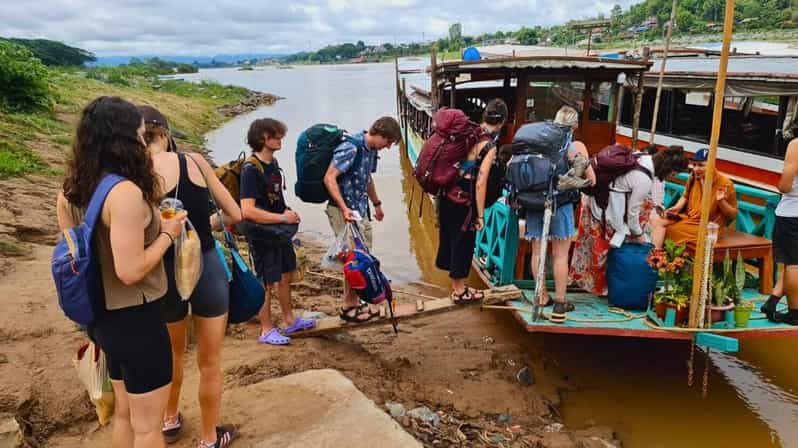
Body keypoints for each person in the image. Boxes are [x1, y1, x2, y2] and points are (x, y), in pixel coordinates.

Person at [56, 96, 186, 448]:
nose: (144, 144)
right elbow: (129, 271)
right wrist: (167, 236)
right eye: (141, 136)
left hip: (103, 320)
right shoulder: (124, 193)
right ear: (123, 140)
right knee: (149, 429)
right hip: (136, 320)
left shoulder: (70, 192)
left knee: (126, 417)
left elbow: (79, 257)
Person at [139, 106, 240, 448]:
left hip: (162, 272)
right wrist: (199, 225)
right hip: (206, 266)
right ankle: (210, 439)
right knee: (210, 362)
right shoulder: (194, 161)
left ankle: (169, 420)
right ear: (165, 135)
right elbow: (234, 213)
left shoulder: (131, 174)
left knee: (172, 355)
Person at [570, 146, 689, 296]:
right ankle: (606, 288)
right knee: (605, 247)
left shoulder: (642, 157)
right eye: (673, 173)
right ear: (667, 169)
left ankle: (596, 285)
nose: (671, 176)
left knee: (593, 246)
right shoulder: (644, 180)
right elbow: (633, 213)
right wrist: (638, 234)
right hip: (606, 207)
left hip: (597, 199)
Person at [240, 118, 316, 344]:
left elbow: (275, 200)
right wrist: (283, 217)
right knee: (266, 282)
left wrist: (287, 213)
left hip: (278, 232)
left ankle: (290, 321)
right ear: (263, 137)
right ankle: (266, 329)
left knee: (285, 276)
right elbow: (248, 210)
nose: (280, 139)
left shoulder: (273, 165)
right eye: (276, 135)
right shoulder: (250, 170)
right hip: (262, 235)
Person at [323, 116, 401, 323]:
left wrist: (377, 204)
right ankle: (348, 307)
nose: (389, 147)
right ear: (381, 134)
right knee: (353, 260)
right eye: (389, 142)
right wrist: (344, 208)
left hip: (360, 210)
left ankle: (355, 302)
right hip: (343, 211)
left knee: (363, 257)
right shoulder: (351, 147)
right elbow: (329, 177)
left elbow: (367, 178)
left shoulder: (371, 151)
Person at [436, 99, 508, 303]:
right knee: (463, 243)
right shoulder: (489, 144)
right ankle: (459, 292)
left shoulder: (467, 133)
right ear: (502, 121)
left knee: (450, 238)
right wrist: (480, 214)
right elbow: (481, 181)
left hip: (447, 192)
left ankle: (457, 286)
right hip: (464, 198)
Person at [525, 106, 592, 323]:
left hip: (536, 202)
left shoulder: (537, 142)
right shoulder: (575, 146)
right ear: (575, 126)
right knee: (560, 255)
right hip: (561, 205)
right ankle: (560, 306)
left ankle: (541, 296)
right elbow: (592, 179)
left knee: (537, 251)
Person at [651, 148, 739, 249]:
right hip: (689, 218)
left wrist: (721, 201)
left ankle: (661, 257)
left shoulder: (725, 183)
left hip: (709, 227)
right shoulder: (693, 177)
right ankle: (656, 256)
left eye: (701, 165)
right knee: (656, 220)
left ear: (712, 165)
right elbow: (685, 196)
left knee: (670, 229)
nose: (696, 169)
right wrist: (678, 207)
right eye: (694, 165)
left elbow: (733, 215)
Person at [762, 138, 798, 324]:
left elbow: (785, 186)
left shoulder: (796, 145)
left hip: (792, 212)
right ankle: (773, 301)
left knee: (792, 264)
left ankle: (794, 312)